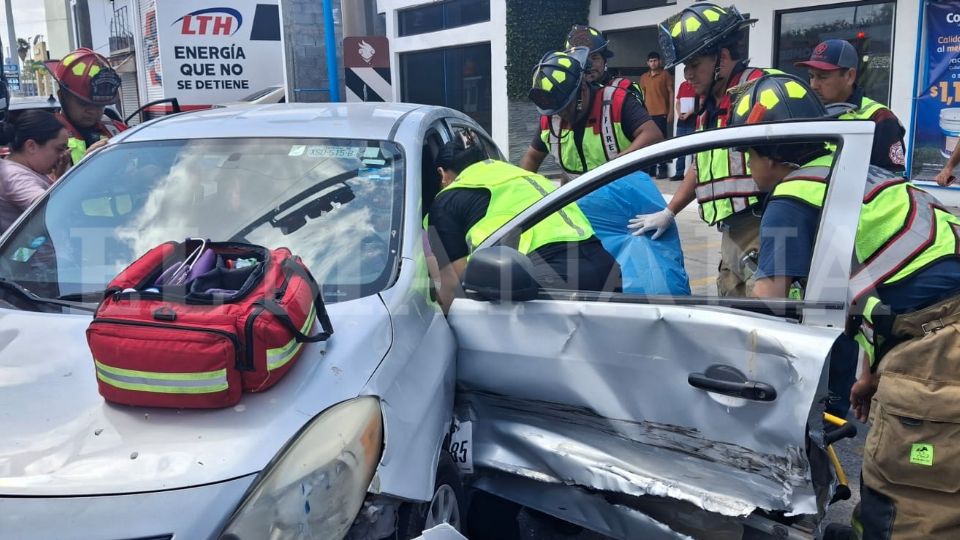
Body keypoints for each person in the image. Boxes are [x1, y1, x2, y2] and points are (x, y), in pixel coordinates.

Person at [730, 73, 960, 539]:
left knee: (913, 492)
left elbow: (769, 301)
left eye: (747, 155)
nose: (747, 167)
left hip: (940, 349)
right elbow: (889, 285)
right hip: (928, 334)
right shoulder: (854, 175)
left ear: (770, 154)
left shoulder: (794, 195)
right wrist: (871, 375)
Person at [629, 3, 772, 298]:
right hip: (732, 231)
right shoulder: (711, 103)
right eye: (685, 67)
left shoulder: (761, 91)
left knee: (768, 324)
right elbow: (700, 166)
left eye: (694, 65)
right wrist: (669, 212)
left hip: (765, 228)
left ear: (721, 57)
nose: (688, 75)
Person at [427, 138, 621, 313]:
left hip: (549, 279)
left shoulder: (446, 200)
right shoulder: (520, 176)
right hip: (605, 266)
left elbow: (456, 286)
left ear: (442, 174)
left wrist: (435, 312)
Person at [520, 47, 663, 179]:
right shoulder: (550, 117)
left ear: (582, 89)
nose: (561, 115)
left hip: (624, 197)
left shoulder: (617, 102)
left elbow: (652, 135)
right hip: (578, 202)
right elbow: (532, 158)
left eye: (566, 107)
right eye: (557, 110)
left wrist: (615, 167)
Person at [796, 39, 906, 172]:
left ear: (849, 76)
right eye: (811, 76)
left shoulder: (880, 118)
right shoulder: (805, 113)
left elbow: (892, 183)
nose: (813, 85)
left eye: (823, 77)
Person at [44, 47, 127, 172]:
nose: (93, 111)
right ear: (61, 96)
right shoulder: (44, 139)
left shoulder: (118, 131)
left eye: (100, 105)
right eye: (83, 103)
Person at [0, 110, 70, 232]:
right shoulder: (15, 176)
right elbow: (52, 210)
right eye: (59, 149)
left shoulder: (19, 169)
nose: (62, 156)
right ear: (31, 146)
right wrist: (86, 168)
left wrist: (58, 176)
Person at [564, 25, 644, 103]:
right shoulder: (564, 91)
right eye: (582, 59)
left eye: (594, 58)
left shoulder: (625, 89)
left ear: (604, 60)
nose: (589, 65)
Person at [638, 51, 674, 179]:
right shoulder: (644, 77)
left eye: (655, 60)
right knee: (647, 142)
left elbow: (671, 93)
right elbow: (642, 96)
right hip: (647, 115)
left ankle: (662, 169)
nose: (653, 63)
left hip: (661, 113)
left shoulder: (665, 75)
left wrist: (671, 111)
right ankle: (650, 169)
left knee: (661, 142)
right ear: (647, 63)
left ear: (660, 62)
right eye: (651, 61)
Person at [672, 73, 698, 180]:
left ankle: (692, 176)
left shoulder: (697, 85)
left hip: (692, 118)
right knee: (680, 146)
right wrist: (679, 113)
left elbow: (698, 103)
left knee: (692, 148)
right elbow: (677, 102)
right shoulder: (682, 85)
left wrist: (687, 114)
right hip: (682, 119)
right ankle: (679, 173)